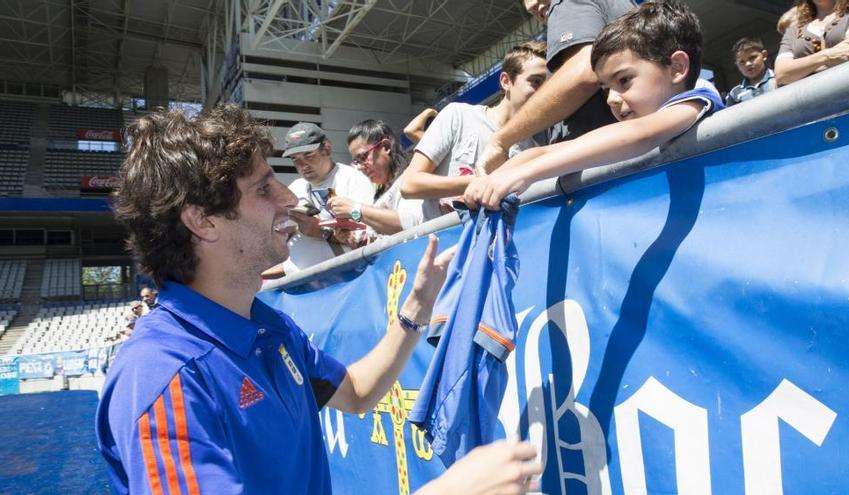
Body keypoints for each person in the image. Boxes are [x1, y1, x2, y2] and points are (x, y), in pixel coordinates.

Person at [97, 105, 542, 495]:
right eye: (263, 188)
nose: (289, 197)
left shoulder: (269, 328)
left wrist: (414, 311)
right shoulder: (162, 375)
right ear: (202, 221)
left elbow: (357, 392)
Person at [464, 0, 724, 209]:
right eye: (605, 87)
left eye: (624, 80)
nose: (611, 98)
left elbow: (636, 136)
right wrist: (497, 176)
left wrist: (526, 174)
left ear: (677, 68)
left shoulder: (695, 99)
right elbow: (547, 152)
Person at [476, 0, 637, 174]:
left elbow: (584, 72)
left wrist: (502, 140)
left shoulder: (567, 3)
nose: (531, 7)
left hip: (609, 170)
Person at [399, 41, 549, 220]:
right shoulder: (458, 116)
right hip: (443, 242)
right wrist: (482, 182)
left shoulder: (533, 150)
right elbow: (410, 184)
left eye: (549, 84)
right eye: (536, 82)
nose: (545, 91)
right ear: (506, 81)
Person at [261, 122, 375, 279]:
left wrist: (321, 231)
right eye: (295, 159)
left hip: (342, 280)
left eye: (308, 155)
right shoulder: (295, 188)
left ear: (327, 149)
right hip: (298, 283)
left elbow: (367, 239)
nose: (302, 165)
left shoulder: (353, 180)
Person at [326, 120, 425, 249]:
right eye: (356, 161)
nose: (360, 167)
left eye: (363, 157)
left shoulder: (410, 178)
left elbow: (412, 222)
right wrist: (351, 238)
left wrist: (354, 209)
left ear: (386, 147)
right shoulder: (377, 191)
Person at [775, 0, 849, 86]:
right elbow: (781, 74)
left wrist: (800, 70)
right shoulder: (794, 30)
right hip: (819, 105)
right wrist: (827, 56)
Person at [726, 37, 777, 106]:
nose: (748, 64)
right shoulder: (735, 94)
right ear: (737, 65)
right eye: (742, 62)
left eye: (752, 57)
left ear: (764, 55)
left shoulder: (779, 77)